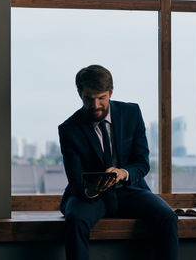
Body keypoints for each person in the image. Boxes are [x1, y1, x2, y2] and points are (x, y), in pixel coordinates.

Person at [58, 65, 179, 260]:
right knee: (74, 220)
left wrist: (123, 173)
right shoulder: (68, 129)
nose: (95, 105)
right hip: (90, 195)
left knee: (168, 217)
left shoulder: (132, 113)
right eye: (89, 99)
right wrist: (96, 186)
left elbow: (142, 163)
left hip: (130, 189)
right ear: (80, 94)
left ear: (111, 92)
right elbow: (75, 179)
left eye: (101, 98)